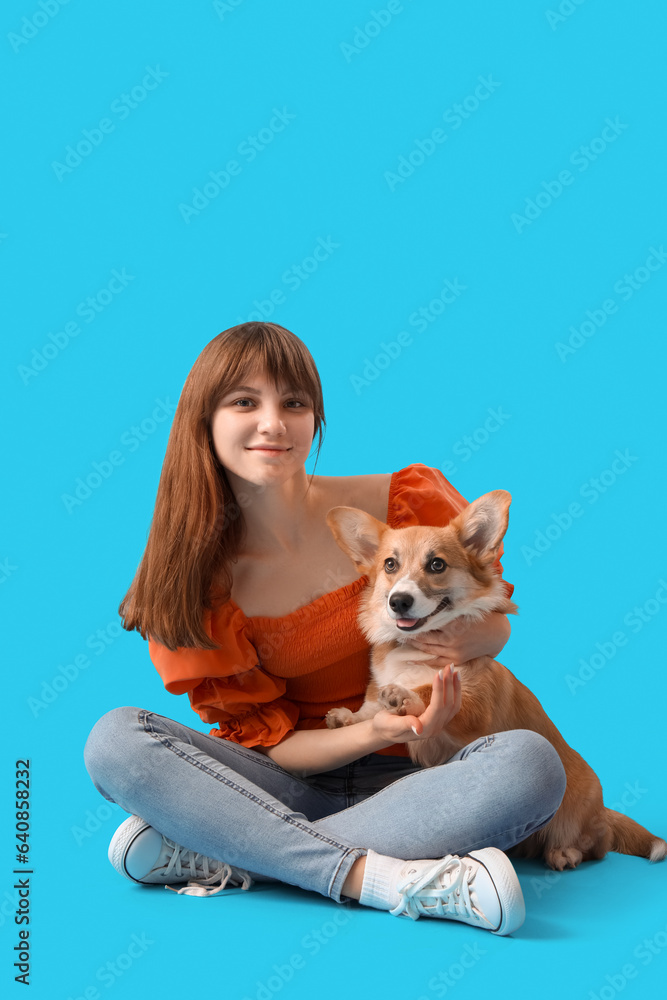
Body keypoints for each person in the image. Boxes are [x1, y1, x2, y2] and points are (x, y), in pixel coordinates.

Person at [83, 321, 566, 935]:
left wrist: (474, 641)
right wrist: (367, 733)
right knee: (115, 739)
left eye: (294, 402)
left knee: (531, 763)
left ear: (316, 417)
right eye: (243, 401)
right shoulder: (192, 580)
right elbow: (270, 746)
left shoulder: (399, 504)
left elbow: (490, 613)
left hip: (418, 780)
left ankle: (229, 850)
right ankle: (386, 880)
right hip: (283, 784)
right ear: (201, 419)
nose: (273, 423)